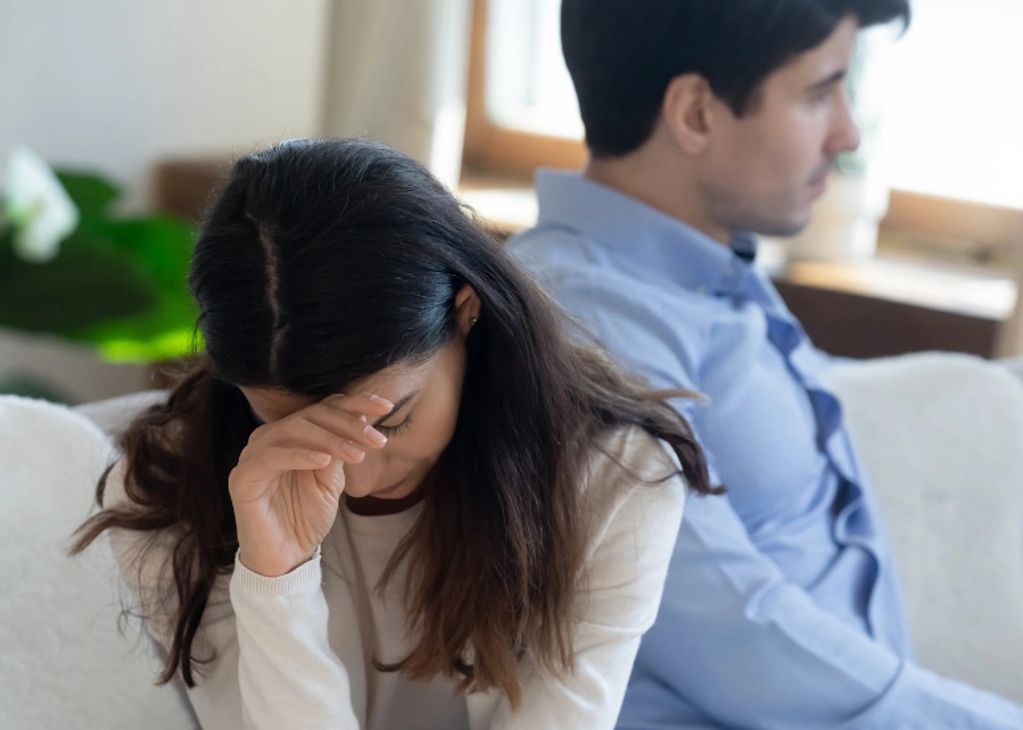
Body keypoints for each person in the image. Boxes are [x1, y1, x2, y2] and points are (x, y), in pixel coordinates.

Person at [70, 138, 716, 729]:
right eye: (286, 427)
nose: (353, 474)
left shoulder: (610, 479)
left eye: (390, 420)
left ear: (466, 312)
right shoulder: (171, 487)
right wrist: (273, 578)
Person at [507, 1, 1023, 727]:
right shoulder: (579, 319)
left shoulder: (700, 273)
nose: (845, 133)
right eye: (817, 93)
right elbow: (735, 632)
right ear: (694, 113)